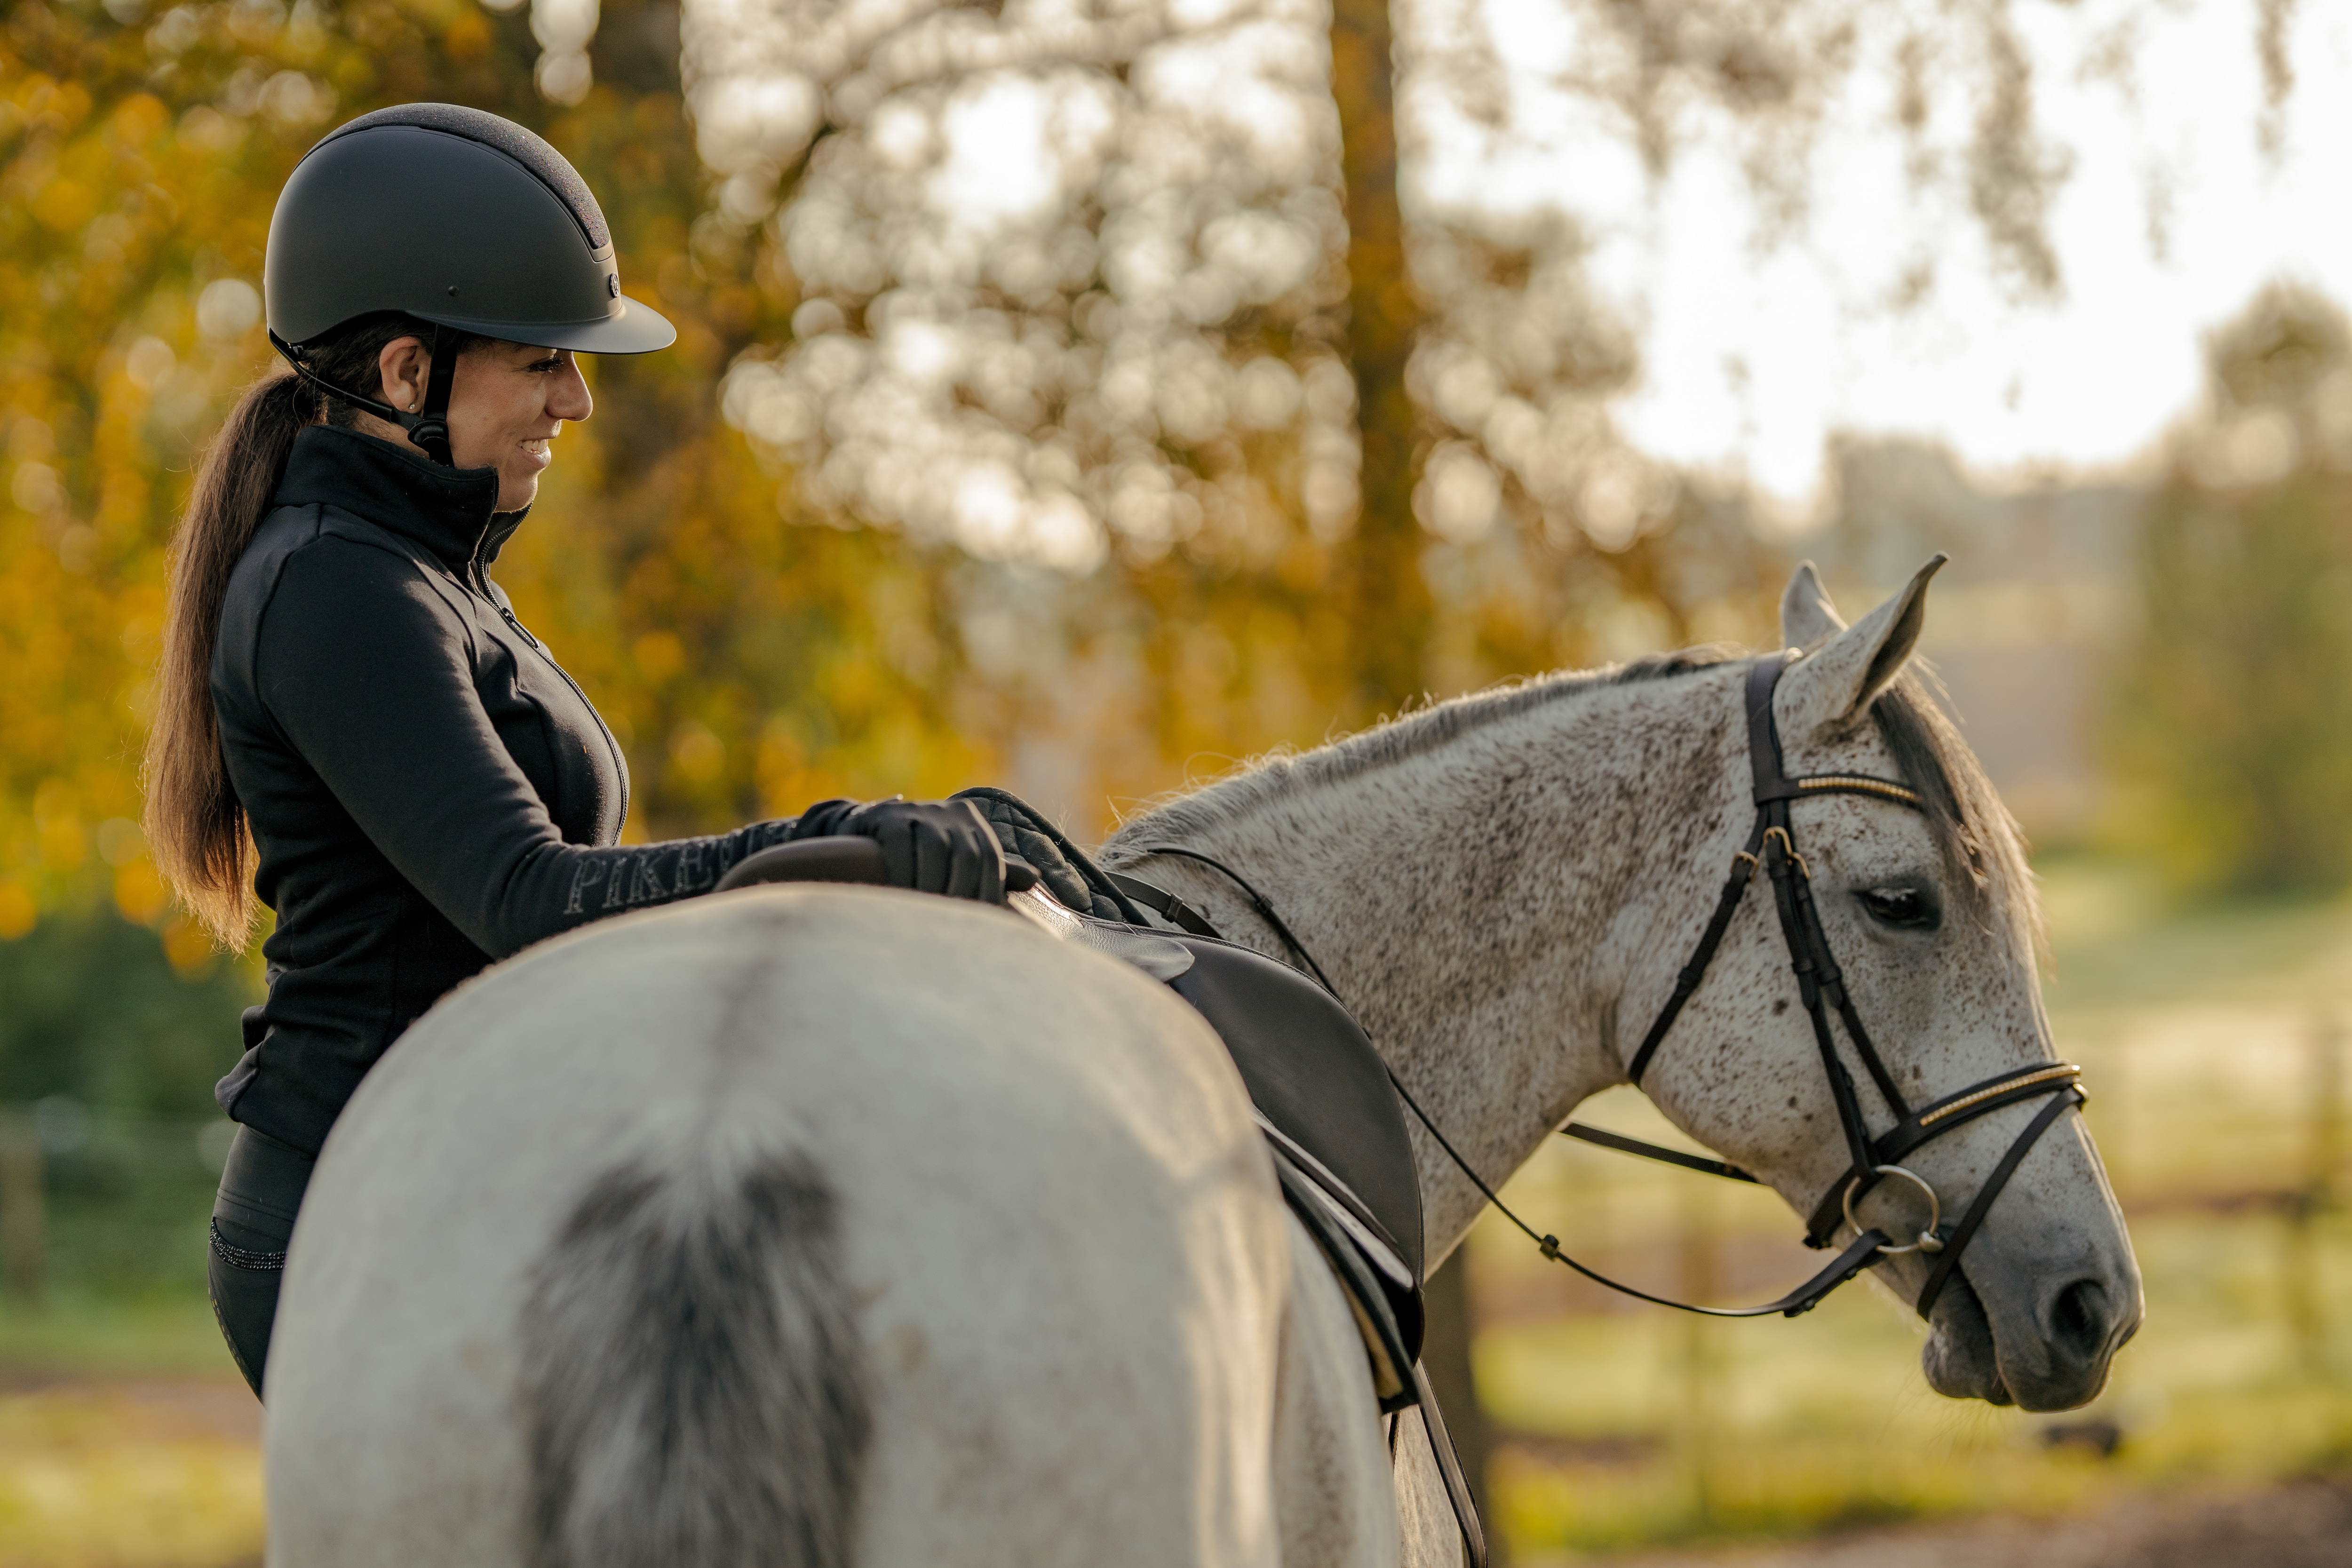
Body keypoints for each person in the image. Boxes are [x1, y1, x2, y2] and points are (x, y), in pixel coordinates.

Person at [140, 104, 1006, 1397]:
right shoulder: (339, 591)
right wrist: (837, 845)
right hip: (362, 1217)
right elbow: (531, 903)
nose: (579, 399)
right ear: (405, 375)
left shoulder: (433, 569)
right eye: (543, 360)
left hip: (490, 1164)